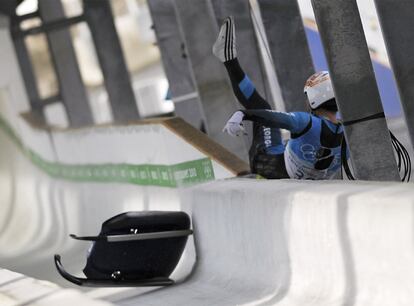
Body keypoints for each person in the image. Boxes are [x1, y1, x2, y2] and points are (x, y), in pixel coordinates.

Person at [212, 16, 344, 180]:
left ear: (313, 99)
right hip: (298, 177)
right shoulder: (348, 132)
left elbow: (270, 117)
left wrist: (242, 114)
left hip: (268, 165)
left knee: (261, 105)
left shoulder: (306, 122)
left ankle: (229, 60)